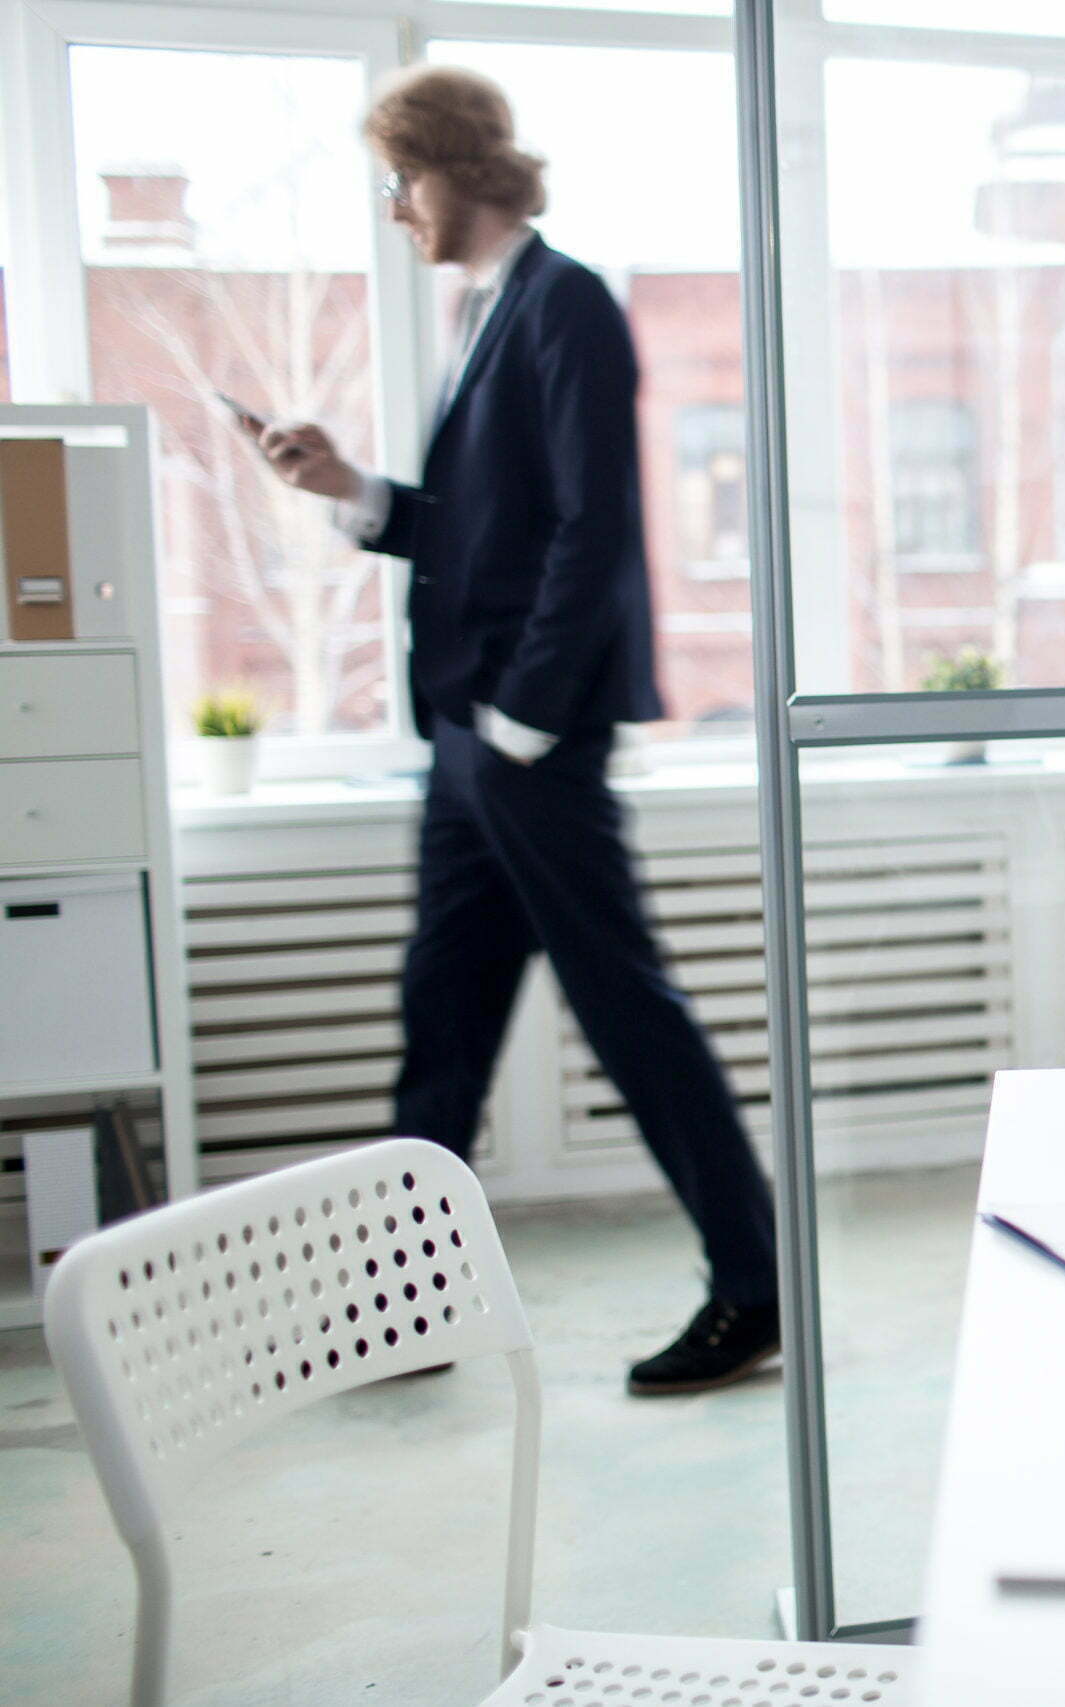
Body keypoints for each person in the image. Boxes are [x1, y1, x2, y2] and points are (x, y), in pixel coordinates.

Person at [245, 64, 781, 1396]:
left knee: (628, 1011)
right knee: (443, 1012)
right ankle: (405, 1304)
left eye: (400, 181)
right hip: (467, 744)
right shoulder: (489, 309)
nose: (394, 209)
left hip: (524, 742)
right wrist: (353, 488)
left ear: (454, 167)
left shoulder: (566, 303)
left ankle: (754, 1286)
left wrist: (525, 723)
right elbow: (486, 531)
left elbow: (596, 532)